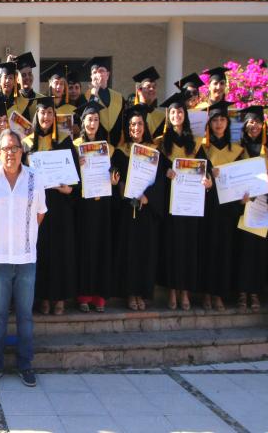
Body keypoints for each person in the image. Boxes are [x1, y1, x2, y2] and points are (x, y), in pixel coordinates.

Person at [0, 129, 47, 388]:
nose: (10, 153)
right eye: (6, 149)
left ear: (22, 151)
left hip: (26, 257)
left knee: (24, 315)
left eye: (15, 148)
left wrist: (24, 237)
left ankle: (25, 364)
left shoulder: (34, 178)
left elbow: (41, 214)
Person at [155, 91, 210, 311]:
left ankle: (185, 291)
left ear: (185, 115)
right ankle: (172, 291)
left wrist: (207, 182)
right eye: (173, 112)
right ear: (168, 116)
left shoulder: (195, 143)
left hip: (190, 204)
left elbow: (205, 171)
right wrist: (165, 173)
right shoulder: (160, 144)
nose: (176, 115)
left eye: (180, 111)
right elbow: (154, 174)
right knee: (172, 247)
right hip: (170, 203)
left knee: (188, 247)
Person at [24, 96, 78, 316]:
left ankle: (59, 299)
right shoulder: (27, 144)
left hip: (59, 206)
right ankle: (43, 297)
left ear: (54, 117)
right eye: (42, 113)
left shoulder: (65, 143)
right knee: (40, 251)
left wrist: (69, 190)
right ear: (36, 116)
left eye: (49, 113)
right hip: (35, 207)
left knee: (59, 252)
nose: (45, 117)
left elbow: (75, 182)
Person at [112, 104, 165, 311]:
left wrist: (148, 197)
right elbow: (114, 172)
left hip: (146, 210)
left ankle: (142, 293)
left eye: (140, 124)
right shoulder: (120, 152)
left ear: (145, 126)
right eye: (132, 124)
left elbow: (160, 180)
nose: (136, 128)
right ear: (128, 127)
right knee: (129, 252)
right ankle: (129, 294)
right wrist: (119, 184)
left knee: (145, 252)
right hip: (127, 210)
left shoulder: (153, 152)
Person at [73, 99, 119, 312]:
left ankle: (99, 296)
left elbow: (115, 174)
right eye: (89, 119)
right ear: (83, 121)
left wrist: (114, 180)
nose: (93, 123)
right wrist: (77, 165)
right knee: (85, 249)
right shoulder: (74, 147)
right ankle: (83, 295)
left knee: (101, 248)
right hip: (83, 207)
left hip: (103, 206)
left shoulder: (107, 148)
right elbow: (71, 178)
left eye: (96, 119)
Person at [199, 100, 244, 312]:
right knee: (207, 248)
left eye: (222, 120)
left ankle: (219, 294)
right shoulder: (201, 148)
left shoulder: (236, 150)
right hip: (207, 205)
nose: (218, 124)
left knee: (225, 250)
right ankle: (206, 293)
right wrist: (208, 176)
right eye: (215, 120)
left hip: (228, 207)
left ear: (228, 123)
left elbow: (243, 178)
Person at [235, 105, 268, 312]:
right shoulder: (238, 148)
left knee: (259, 251)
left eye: (258, 122)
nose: (254, 126)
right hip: (241, 207)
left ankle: (255, 292)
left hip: (262, 207)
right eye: (250, 122)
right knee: (242, 250)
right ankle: (241, 292)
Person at [83, 57, 125, 145]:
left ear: (108, 75)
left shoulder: (119, 97)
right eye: (94, 72)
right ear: (91, 77)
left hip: (117, 146)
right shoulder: (85, 97)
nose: (98, 74)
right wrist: (95, 91)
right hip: (96, 146)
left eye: (101, 71)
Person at [130, 66, 166, 138]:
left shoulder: (161, 117)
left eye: (154, 87)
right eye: (148, 86)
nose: (152, 89)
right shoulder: (130, 113)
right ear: (139, 90)